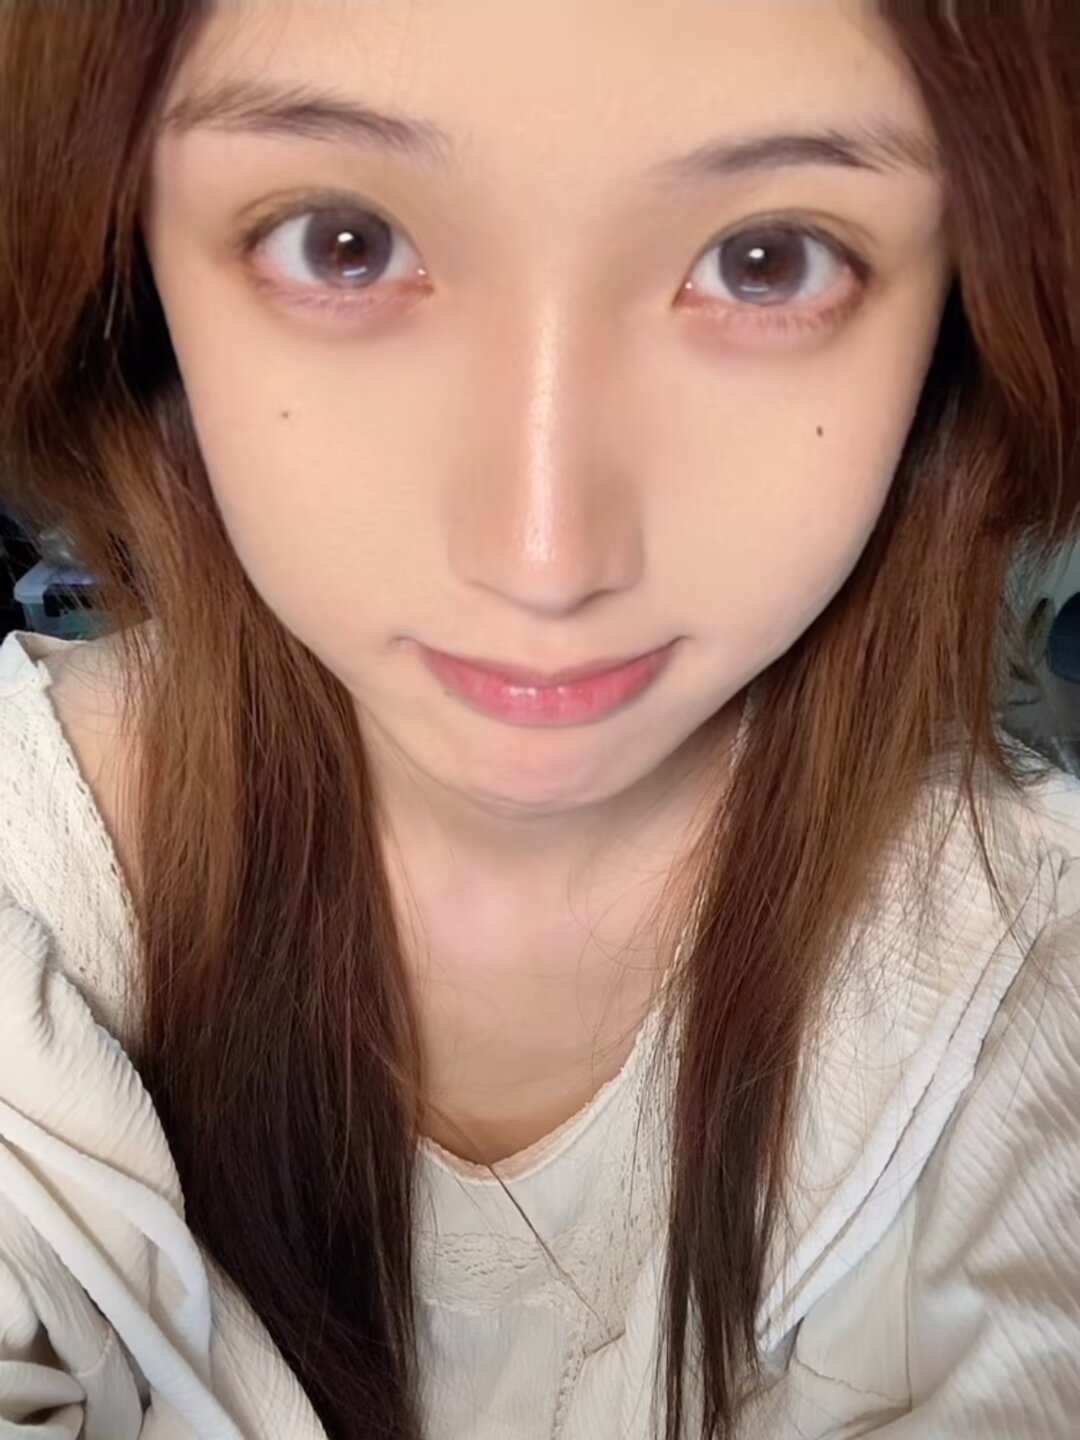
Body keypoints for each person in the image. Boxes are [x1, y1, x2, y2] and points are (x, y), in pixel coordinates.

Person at [0, 2, 1077, 1436]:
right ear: (131, 271)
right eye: (342, 242)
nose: (545, 557)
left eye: (768, 260)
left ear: (961, 312)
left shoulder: (1035, 995)